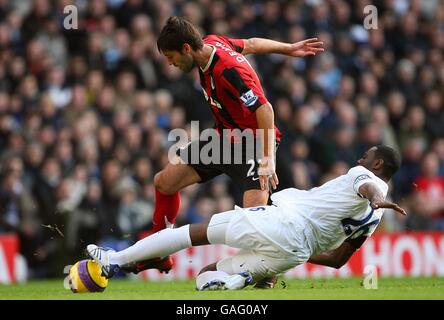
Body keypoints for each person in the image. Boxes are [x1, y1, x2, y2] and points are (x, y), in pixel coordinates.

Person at [132, 16, 324, 287]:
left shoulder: (228, 71)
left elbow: (265, 110)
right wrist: (288, 48)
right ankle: (158, 251)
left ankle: (265, 275)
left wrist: (267, 160)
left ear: (187, 48)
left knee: (255, 222)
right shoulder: (213, 42)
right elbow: (252, 44)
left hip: (254, 143)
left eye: (171, 56)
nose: (170, 63)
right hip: (224, 139)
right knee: (164, 182)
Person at [87, 145, 406, 290]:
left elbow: (368, 189)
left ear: (376, 165)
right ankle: (235, 280)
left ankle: (114, 260)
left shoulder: (365, 176)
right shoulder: (373, 221)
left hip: (283, 222)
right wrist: (302, 253)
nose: (360, 157)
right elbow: (338, 260)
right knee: (206, 277)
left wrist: (379, 199)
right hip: (295, 254)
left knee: (195, 232)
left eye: (367, 155)